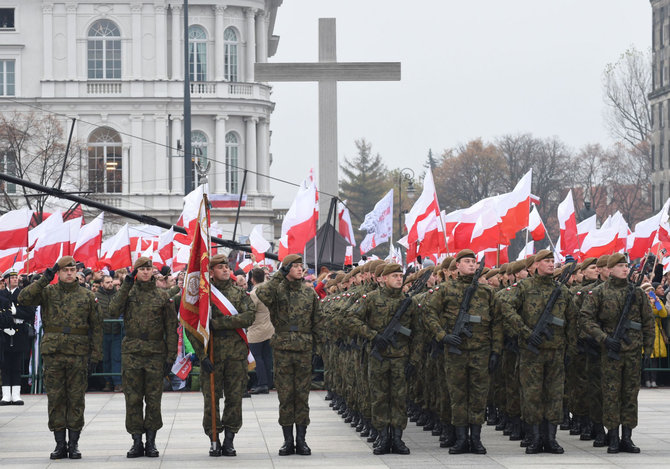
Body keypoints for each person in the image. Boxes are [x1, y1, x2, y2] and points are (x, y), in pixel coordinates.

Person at [18, 256, 103, 459]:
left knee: (75, 399)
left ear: (76, 272)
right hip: (54, 354)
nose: (69, 273)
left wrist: (96, 355)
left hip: (79, 354)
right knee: (56, 399)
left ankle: (73, 444)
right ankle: (59, 444)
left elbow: (97, 327)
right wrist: (45, 277)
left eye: (72, 270)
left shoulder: (87, 296)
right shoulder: (47, 292)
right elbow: (23, 298)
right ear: (58, 272)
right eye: (65, 270)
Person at [423, 249, 502, 455]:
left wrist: (495, 351)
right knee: (457, 396)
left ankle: (475, 439)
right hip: (456, 351)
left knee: (478, 396)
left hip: (481, 351)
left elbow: (497, 323)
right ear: (457, 265)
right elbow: (428, 312)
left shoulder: (487, 292)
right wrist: (442, 335)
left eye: (473, 262)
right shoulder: (445, 290)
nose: (471, 265)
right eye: (466, 261)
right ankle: (460, 439)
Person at [502, 250, 576, 454]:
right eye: (547, 261)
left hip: (556, 351)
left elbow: (572, 321)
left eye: (553, 261)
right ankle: (534, 438)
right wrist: (525, 332)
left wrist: (571, 348)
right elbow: (506, 307)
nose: (552, 264)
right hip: (531, 352)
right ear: (535, 265)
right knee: (532, 395)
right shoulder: (524, 287)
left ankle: (550, 439)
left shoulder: (562, 290)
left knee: (554, 395)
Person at [580, 253, 654, 453]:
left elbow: (648, 322)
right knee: (611, 395)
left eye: (626, 265)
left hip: (632, 352)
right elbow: (586, 319)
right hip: (611, 352)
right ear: (610, 269)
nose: (625, 269)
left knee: (630, 395)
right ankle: (613, 436)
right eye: (620, 266)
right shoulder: (599, 292)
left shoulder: (637, 293)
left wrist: (648, 349)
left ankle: (627, 437)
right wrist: (604, 338)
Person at [186, 254, 255, 457]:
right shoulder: (204, 296)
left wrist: (219, 323)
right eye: (220, 267)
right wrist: (202, 356)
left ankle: (230, 440)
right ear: (211, 271)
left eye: (227, 267)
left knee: (234, 399)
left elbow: (249, 316)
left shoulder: (239, 293)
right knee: (212, 400)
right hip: (212, 355)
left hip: (235, 355)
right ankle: (214, 439)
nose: (225, 270)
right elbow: (194, 327)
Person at [255, 254, 324, 456]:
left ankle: (301, 440)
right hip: (283, 349)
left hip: (303, 349)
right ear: (286, 270)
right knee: (285, 396)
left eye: (301, 266)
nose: (300, 269)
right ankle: (288, 440)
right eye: (294, 266)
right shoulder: (276, 290)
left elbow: (318, 321)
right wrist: (279, 275)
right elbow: (261, 293)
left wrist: (318, 349)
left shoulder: (308, 293)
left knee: (301, 396)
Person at [349, 263, 421, 455]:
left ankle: (397, 439)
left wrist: (413, 360)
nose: (399, 279)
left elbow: (418, 333)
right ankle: (383, 437)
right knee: (379, 398)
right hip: (379, 357)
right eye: (395, 276)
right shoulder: (372, 299)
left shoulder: (409, 302)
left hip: (400, 358)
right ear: (384, 278)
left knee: (399, 399)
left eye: (400, 276)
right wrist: (373, 336)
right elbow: (352, 319)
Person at [109, 257, 178, 458]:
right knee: (133, 399)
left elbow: (171, 328)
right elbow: (113, 310)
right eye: (142, 269)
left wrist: (171, 356)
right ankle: (136, 441)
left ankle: (151, 442)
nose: (146, 272)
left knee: (154, 400)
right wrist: (126, 284)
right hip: (132, 352)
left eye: (149, 269)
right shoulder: (128, 293)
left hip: (156, 352)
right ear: (135, 272)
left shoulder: (162, 296)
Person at [0, 270, 36, 406]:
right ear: (6, 280)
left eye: (16, 277)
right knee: (5, 364)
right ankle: (6, 395)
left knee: (16, 364)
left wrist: (17, 312)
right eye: (12, 277)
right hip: (4, 332)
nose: (15, 279)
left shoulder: (23, 293)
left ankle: (16, 394)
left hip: (19, 331)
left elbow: (30, 313)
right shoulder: (1, 294)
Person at [248, 267, 275, 395]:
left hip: (256, 329)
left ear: (252, 280)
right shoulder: (269, 291)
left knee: (257, 357)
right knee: (267, 357)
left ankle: (262, 384)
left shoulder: (254, 294)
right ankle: (269, 382)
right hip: (269, 328)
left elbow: (250, 312)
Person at [97, 275, 122, 392]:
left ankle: (117, 382)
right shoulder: (96, 296)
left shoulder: (117, 296)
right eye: (107, 282)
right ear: (102, 284)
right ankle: (108, 382)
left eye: (111, 282)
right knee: (105, 358)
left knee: (116, 357)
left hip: (116, 331)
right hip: (103, 332)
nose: (110, 284)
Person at [641, 282, 667, 388]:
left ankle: (653, 380)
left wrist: (657, 302)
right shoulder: (641, 302)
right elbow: (646, 314)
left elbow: (663, 314)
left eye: (651, 291)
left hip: (656, 333)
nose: (650, 293)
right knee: (646, 358)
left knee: (655, 359)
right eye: (648, 291)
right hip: (644, 332)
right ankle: (646, 379)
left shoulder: (655, 301)